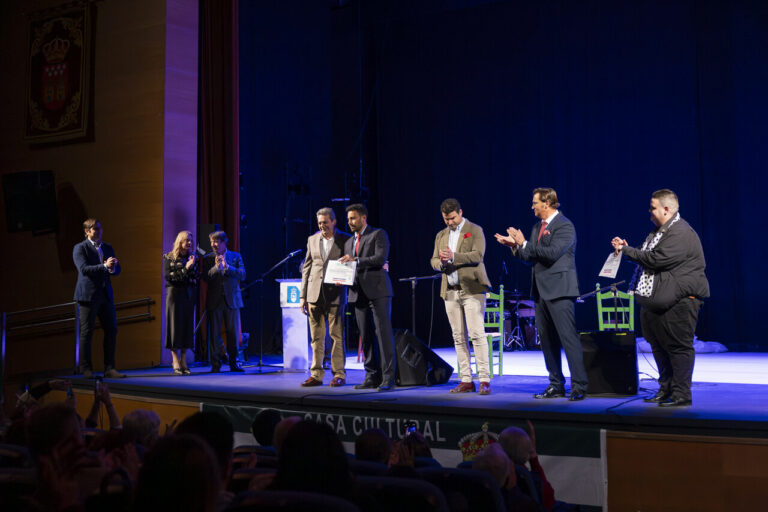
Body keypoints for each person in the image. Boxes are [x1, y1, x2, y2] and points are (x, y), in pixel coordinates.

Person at [612, 189, 709, 407]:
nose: (650, 211)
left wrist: (627, 251)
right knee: (658, 346)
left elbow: (656, 259)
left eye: (653, 207)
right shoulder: (658, 233)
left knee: (678, 347)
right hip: (656, 302)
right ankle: (665, 388)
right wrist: (627, 250)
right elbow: (647, 256)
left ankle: (681, 394)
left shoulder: (681, 232)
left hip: (680, 302)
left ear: (667, 209)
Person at [495, 188, 587, 401]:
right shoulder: (538, 227)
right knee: (546, 340)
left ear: (547, 203)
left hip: (560, 290)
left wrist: (524, 243)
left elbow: (552, 254)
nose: (532, 206)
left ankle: (579, 385)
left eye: (535, 202)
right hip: (540, 291)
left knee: (567, 339)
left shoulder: (565, 226)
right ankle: (556, 384)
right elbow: (529, 256)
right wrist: (516, 247)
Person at [430, 198, 492, 395]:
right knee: (458, 337)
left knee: (476, 334)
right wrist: (440, 263)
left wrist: (453, 257)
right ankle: (466, 379)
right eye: (446, 219)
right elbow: (433, 259)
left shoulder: (474, 230)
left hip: (472, 289)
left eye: (453, 218)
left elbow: (478, 255)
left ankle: (484, 379)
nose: (450, 222)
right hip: (450, 290)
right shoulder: (441, 235)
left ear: (460, 212)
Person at [339, 204, 397, 391]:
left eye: (353, 218)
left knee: (383, 334)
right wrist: (340, 277)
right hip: (357, 293)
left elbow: (380, 258)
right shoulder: (348, 243)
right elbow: (348, 268)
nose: (350, 222)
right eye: (348, 219)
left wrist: (355, 260)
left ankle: (388, 377)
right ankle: (371, 375)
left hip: (378, 291)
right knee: (365, 336)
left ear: (363, 218)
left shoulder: (378, 234)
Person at [299, 207, 351, 387]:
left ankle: (339, 374)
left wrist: (344, 279)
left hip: (335, 294)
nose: (322, 226)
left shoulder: (345, 239)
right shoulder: (312, 239)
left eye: (325, 222)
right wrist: (303, 296)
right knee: (316, 337)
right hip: (314, 294)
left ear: (334, 222)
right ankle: (316, 374)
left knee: (336, 336)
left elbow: (350, 263)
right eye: (320, 223)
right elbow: (307, 267)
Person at [73, 218, 125, 378]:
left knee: (111, 330)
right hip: (87, 296)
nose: (99, 231)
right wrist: (104, 266)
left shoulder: (107, 247)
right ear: (87, 231)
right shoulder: (80, 248)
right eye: (95, 229)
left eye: (100, 228)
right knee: (87, 332)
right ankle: (86, 368)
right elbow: (84, 269)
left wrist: (113, 267)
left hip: (105, 295)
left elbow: (116, 271)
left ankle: (109, 368)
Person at [202, 230, 246, 373]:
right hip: (214, 301)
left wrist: (227, 267)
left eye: (216, 242)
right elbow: (205, 277)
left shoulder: (235, 256)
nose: (213, 245)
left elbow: (243, 274)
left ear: (223, 242)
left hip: (231, 300)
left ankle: (234, 363)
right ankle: (215, 365)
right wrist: (216, 268)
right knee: (214, 334)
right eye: (211, 242)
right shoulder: (208, 258)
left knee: (232, 334)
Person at [164, 230, 200, 375]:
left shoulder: (192, 258)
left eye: (191, 240)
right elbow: (170, 277)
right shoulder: (169, 257)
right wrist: (186, 268)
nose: (190, 243)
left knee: (186, 326)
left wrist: (191, 268)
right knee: (174, 326)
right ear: (180, 242)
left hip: (188, 295)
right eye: (187, 240)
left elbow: (195, 277)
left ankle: (184, 359)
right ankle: (175, 359)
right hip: (174, 295)